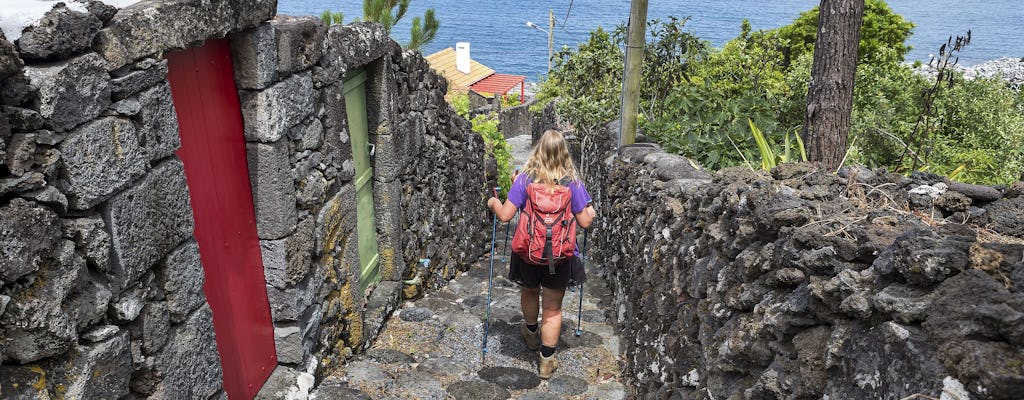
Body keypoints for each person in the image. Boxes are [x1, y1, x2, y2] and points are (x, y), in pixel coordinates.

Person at [486, 129, 597, 379]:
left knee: (529, 291)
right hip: (560, 256)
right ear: (564, 153)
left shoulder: (525, 179)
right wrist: (591, 210)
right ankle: (546, 362)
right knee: (553, 309)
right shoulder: (573, 183)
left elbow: (505, 215)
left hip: (527, 253)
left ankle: (531, 333)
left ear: (538, 150)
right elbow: (585, 222)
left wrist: (493, 203)